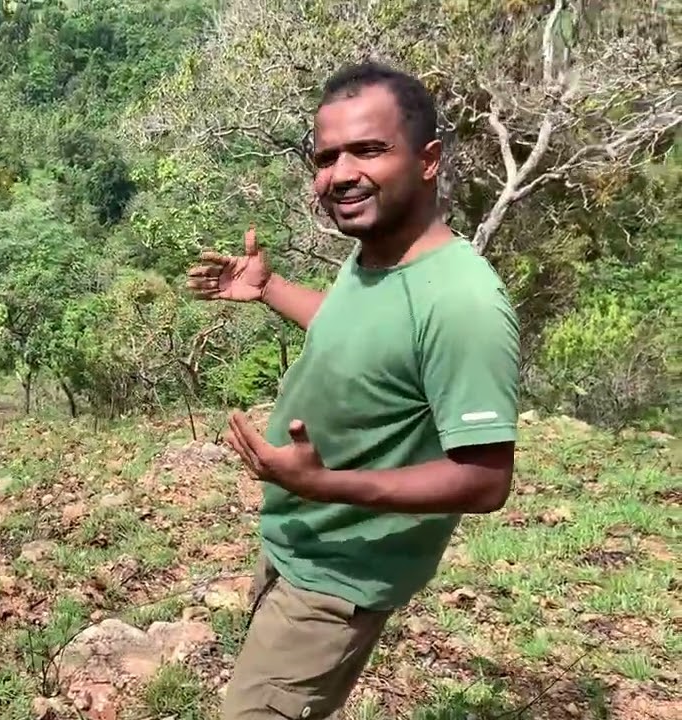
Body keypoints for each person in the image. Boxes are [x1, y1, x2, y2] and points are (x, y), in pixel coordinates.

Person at [185, 61, 520, 719]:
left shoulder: (463, 302)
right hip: (301, 539)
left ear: (428, 160)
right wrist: (269, 288)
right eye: (327, 156)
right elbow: (360, 334)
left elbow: (485, 481)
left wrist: (326, 485)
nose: (340, 174)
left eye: (368, 150)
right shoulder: (376, 257)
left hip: (340, 578)